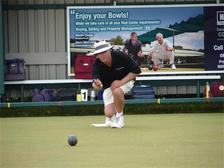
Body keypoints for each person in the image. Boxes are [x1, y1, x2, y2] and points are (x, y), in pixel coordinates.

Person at [91, 40, 141, 128]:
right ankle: (110, 119)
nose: (103, 55)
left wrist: (120, 82)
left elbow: (136, 71)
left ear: (109, 50)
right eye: (100, 53)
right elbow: (95, 86)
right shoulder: (96, 65)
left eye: (104, 52)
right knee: (109, 113)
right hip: (109, 86)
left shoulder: (120, 55)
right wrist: (97, 85)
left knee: (117, 91)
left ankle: (119, 117)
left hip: (126, 80)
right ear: (97, 55)